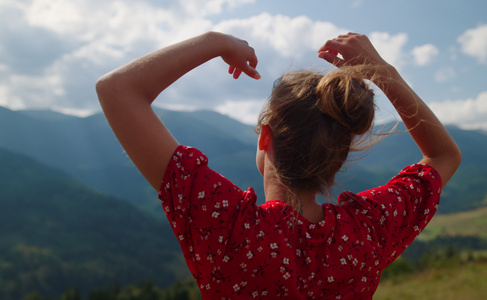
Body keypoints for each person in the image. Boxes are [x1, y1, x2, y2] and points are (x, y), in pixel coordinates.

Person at [96, 31, 461, 299]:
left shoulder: (228, 228)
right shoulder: (366, 233)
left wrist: (215, 41)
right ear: (338, 155)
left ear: (264, 137)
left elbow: (116, 89)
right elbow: (444, 156)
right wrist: (381, 71)